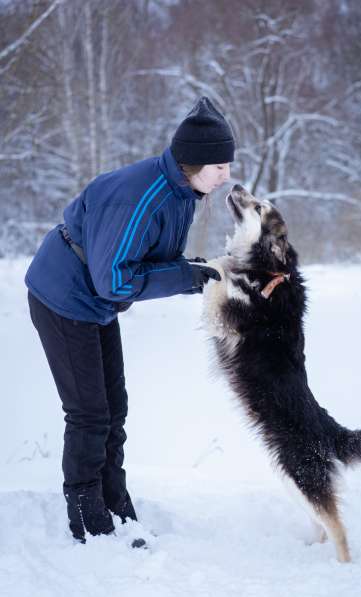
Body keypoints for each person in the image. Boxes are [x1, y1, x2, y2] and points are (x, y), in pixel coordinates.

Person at [25, 96, 234, 544]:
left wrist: (191, 269)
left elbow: (146, 259)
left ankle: (114, 500)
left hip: (92, 299)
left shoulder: (183, 191)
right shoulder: (142, 196)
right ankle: (86, 517)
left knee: (113, 409)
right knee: (88, 413)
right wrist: (184, 277)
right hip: (64, 297)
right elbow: (115, 282)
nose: (226, 175)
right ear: (193, 162)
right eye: (220, 165)